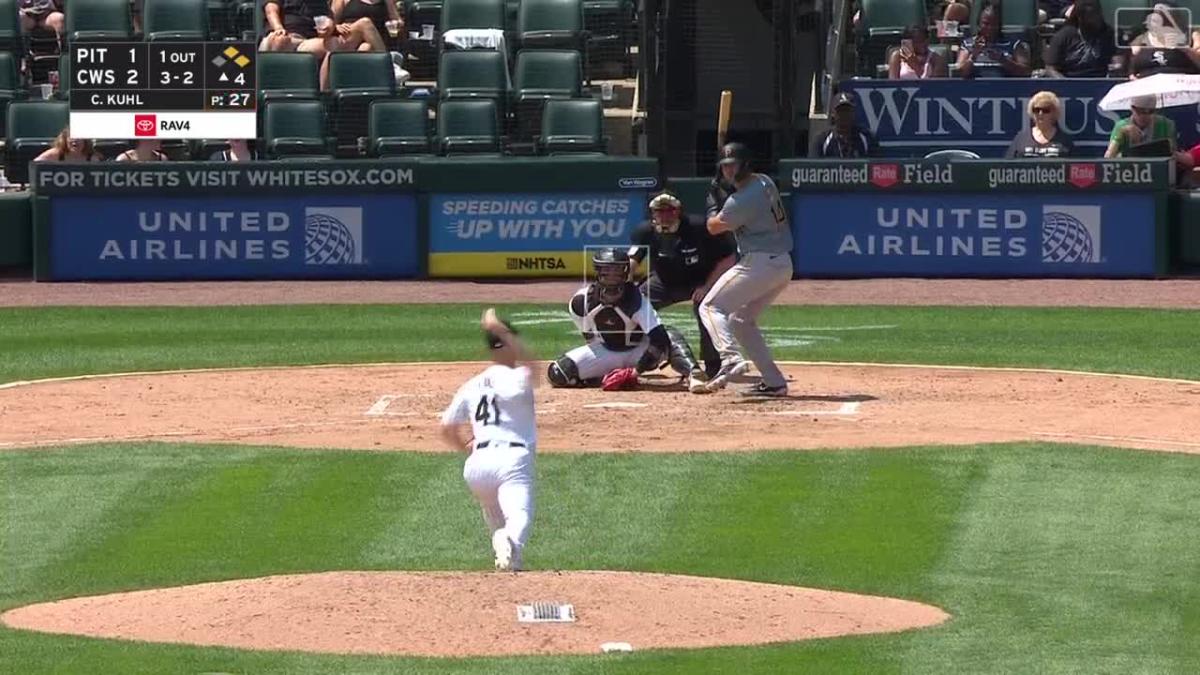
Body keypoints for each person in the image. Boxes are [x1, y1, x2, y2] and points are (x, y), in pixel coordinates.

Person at [440, 308, 538, 572]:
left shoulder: (471, 385)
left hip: (477, 465)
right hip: (512, 461)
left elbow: (446, 428)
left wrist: (468, 447)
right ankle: (510, 542)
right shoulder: (518, 377)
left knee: (493, 512)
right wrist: (500, 329)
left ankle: (508, 561)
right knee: (518, 516)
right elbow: (533, 364)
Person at [699, 142, 793, 398]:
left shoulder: (741, 200)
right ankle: (774, 382)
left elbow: (713, 227)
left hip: (760, 262)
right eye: (725, 167)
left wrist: (712, 202)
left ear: (745, 165)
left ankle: (729, 358)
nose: (729, 171)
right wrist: (725, 195)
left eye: (733, 166)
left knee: (710, 307)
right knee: (740, 321)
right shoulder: (764, 181)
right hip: (781, 264)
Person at [546, 247, 707, 392]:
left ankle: (694, 374)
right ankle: (599, 377)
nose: (612, 276)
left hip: (638, 350)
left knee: (670, 335)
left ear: (625, 271)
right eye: (607, 270)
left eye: (616, 271)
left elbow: (659, 340)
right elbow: (591, 339)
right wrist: (600, 366)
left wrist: (635, 371)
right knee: (558, 373)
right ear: (598, 270)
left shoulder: (637, 300)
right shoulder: (580, 302)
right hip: (607, 350)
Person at [628, 192, 737, 387]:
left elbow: (728, 258)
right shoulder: (645, 231)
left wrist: (707, 286)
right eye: (659, 212)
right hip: (664, 281)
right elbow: (633, 260)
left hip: (702, 281)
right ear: (652, 213)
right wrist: (625, 284)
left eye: (669, 211)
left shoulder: (699, 227)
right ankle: (638, 358)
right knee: (632, 304)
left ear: (678, 211)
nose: (664, 216)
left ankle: (713, 366)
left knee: (706, 309)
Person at [1043, 0, 1120, 78]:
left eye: (1096, 15)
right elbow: (1050, 68)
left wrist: (1117, 66)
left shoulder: (1109, 34)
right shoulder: (1064, 36)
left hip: (1101, 81)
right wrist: (1065, 83)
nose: (1095, 21)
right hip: (1070, 82)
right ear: (1079, 18)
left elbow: (1117, 61)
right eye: (1090, 18)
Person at [956, 2, 1032, 78]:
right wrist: (973, 56)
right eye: (986, 24)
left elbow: (1026, 72)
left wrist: (1003, 60)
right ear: (979, 24)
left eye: (994, 24)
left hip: (1005, 87)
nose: (990, 28)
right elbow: (960, 72)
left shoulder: (1013, 44)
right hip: (974, 87)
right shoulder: (968, 44)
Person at [1129, 4, 1200, 77]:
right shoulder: (1140, 40)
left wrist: (1184, 48)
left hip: (1182, 81)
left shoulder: (1192, 36)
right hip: (1146, 82)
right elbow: (1131, 70)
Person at [809, 92, 878, 158]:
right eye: (840, 111)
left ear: (853, 113)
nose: (844, 115)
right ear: (833, 114)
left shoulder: (868, 138)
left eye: (847, 111)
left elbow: (877, 165)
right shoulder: (821, 140)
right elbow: (813, 166)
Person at [1105, 94, 1177, 158]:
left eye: (1150, 111)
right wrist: (1120, 134)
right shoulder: (1121, 126)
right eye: (1140, 111)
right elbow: (1108, 158)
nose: (1145, 116)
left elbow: (1173, 156)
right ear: (1132, 109)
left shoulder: (1166, 125)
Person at [1006, 91, 1074, 158]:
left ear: (1054, 113)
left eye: (1045, 110)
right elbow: (1007, 165)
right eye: (1036, 110)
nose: (1040, 114)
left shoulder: (1065, 141)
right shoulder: (1020, 139)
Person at [33, 127, 101, 162]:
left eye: (79, 138)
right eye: (71, 137)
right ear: (65, 140)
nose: (75, 140)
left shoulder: (92, 159)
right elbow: (35, 165)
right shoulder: (55, 154)